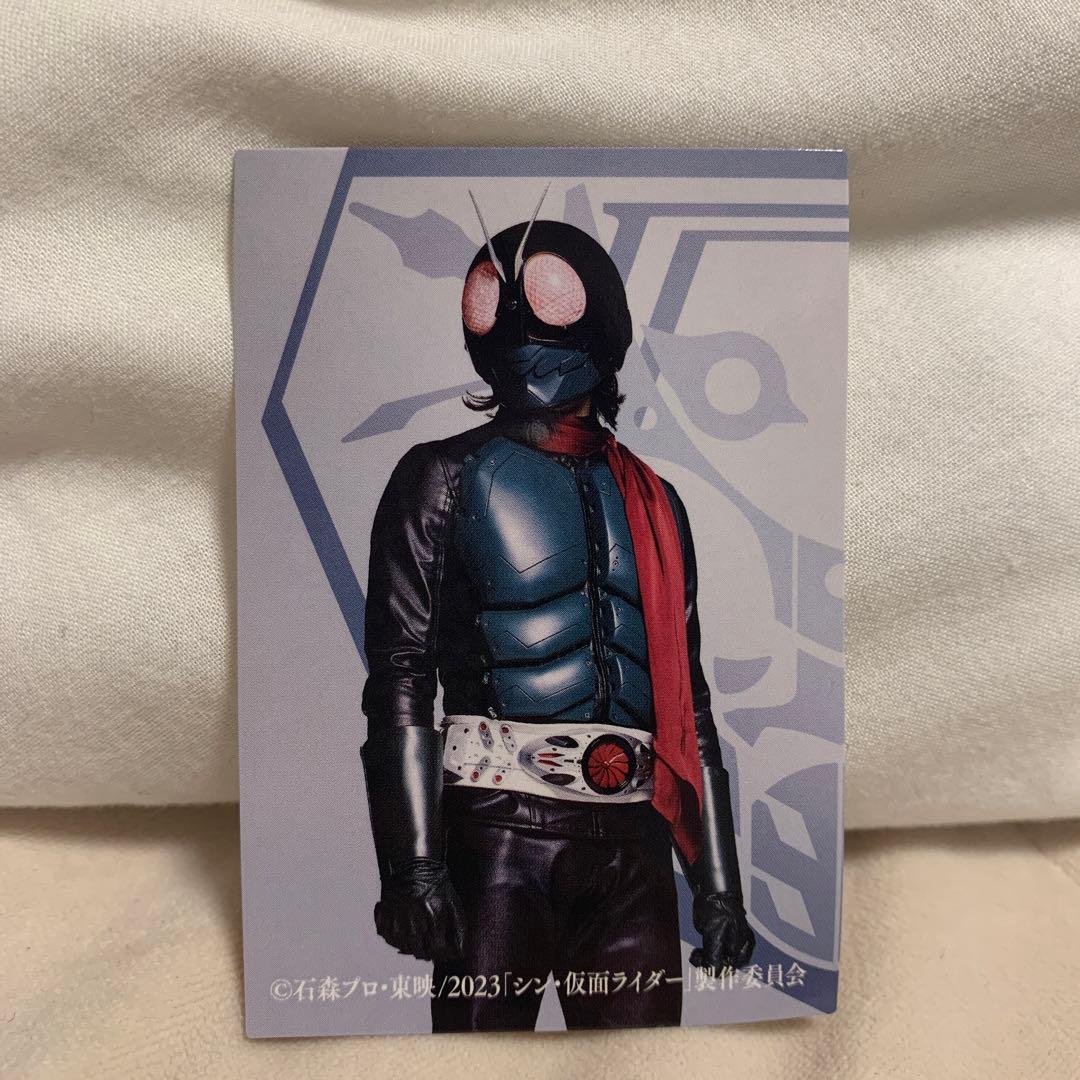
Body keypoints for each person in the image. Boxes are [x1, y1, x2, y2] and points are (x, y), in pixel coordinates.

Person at [360, 198, 754, 1031]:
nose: (517, 327)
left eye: (544, 298)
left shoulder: (656, 501)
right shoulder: (442, 478)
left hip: (636, 846)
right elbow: (400, 675)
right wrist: (412, 865)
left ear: (599, 317)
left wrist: (717, 885)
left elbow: (687, 699)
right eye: (495, 305)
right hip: (497, 838)